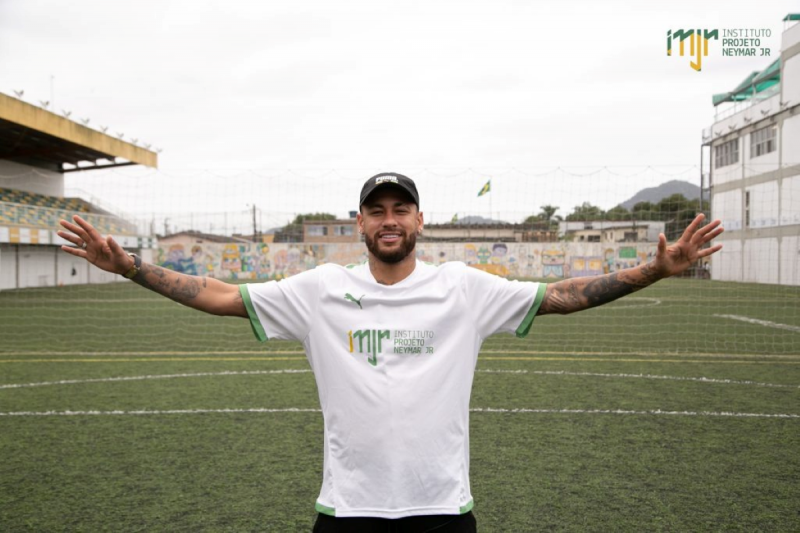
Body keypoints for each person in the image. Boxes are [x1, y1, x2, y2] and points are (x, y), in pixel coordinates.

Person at [58, 172, 723, 532]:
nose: (389, 218)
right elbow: (221, 293)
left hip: (442, 509)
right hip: (347, 510)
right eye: (376, 209)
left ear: (419, 220)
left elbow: (563, 294)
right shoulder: (320, 289)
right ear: (359, 224)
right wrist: (131, 267)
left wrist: (653, 271)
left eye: (401, 207)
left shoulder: (463, 287)